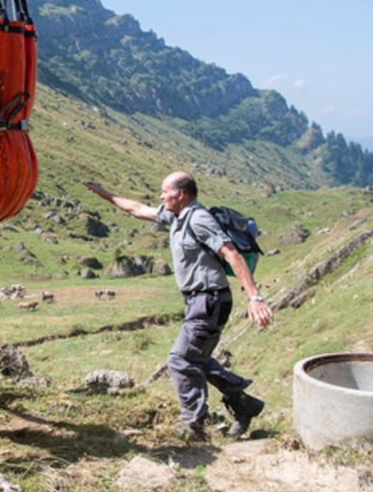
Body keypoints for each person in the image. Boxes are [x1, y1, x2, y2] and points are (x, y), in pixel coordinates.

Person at [86, 172, 273, 440]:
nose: (161, 196)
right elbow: (138, 209)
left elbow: (231, 253)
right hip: (198, 300)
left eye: (165, 192)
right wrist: (105, 194)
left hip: (209, 300)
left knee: (180, 359)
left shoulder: (199, 219)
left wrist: (254, 296)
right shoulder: (176, 217)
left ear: (181, 194)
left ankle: (192, 426)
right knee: (197, 358)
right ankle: (244, 404)